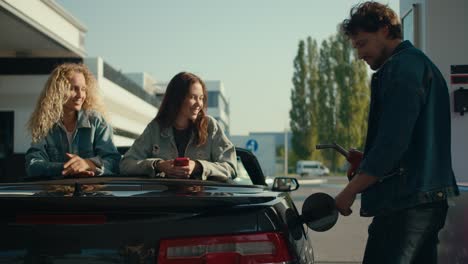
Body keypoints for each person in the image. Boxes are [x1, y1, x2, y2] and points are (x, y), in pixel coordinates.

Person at [335, 2, 459, 263]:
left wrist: (350, 191)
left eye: (362, 44)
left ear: (384, 30)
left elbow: (392, 144)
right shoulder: (418, 65)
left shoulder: (401, 69)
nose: (359, 54)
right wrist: (367, 159)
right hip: (423, 199)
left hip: (406, 204)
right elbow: (407, 140)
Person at [120, 72, 237, 181]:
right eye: (193, 97)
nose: (199, 104)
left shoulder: (210, 126)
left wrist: (198, 166)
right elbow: (126, 164)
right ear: (177, 98)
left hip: (201, 200)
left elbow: (230, 167)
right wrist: (158, 165)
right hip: (164, 200)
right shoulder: (155, 128)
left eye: (201, 98)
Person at [25, 63, 120, 178]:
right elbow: (32, 166)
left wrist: (87, 164)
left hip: (93, 192)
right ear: (58, 92)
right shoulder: (44, 123)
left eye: (84, 89)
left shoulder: (96, 121)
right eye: (73, 89)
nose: (80, 95)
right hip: (55, 193)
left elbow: (114, 161)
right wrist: (67, 168)